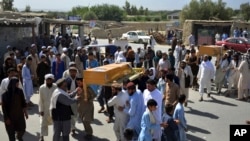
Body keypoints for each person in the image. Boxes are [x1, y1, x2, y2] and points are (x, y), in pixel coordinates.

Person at [38, 74, 57, 141]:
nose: (48, 81)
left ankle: (56, 136)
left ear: (52, 80)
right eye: (47, 80)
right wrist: (41, 110)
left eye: (50, 79)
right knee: (43, 123)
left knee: (56, 123)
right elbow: (40, 100)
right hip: (45, 108)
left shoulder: (55, 87)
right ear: (45, 80)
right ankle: (42, 136)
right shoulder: (41, 88)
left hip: (54, 108)